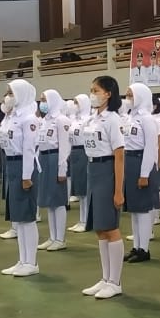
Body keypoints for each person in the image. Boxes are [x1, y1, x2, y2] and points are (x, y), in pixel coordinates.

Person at [81, 76, 127, 299]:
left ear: (108, 93)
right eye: (91, 90)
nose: (93, 94)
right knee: (100, 228)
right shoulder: (93, 118)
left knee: (110, 227)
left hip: (107, 170)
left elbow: (119, 155)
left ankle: (115, 281)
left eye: (96, 90)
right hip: (93, 171)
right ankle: (105, 277)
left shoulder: (113, 120)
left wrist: (118, 190)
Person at [0, 80, 41, 276]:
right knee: (18, 217)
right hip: (12, 164)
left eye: (11, 92)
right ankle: (22, 259)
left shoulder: (28, 118)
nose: (7, 96)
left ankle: (31, 262)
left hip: (25, 165)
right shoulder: (10, 117)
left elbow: (29, 148)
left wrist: (26, 176)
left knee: (27, 217)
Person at [122, 83, 160, 263]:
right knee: (134, 209)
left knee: (143, 210)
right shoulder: (130, 117)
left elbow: (150, 148)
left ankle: (144, 249)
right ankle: (136, 246)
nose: (127, 98)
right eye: (127, 94)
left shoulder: (147, 119)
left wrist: (144, 173)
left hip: (141, 162)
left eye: (131, 95)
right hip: (129, 161)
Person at [35, 89, 71, 252]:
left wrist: (62, 168)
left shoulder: (61, 120)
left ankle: (60, 238)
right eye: (41, 100)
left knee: (58, 200)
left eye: (44, 100)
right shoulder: (44, 120)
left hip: (55, 158)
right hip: (44, 158)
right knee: (49, 202)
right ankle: (52, 236)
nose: (41, 103)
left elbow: (65, 145)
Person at [68, 94, 93, 232]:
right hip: (75, 152)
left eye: (76, 102)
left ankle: (86, 220)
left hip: (84, 152)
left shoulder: (88, 120)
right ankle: (81, 219)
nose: (74, 105)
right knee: (78, 189)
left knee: (84, 189)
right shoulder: (74, 120)